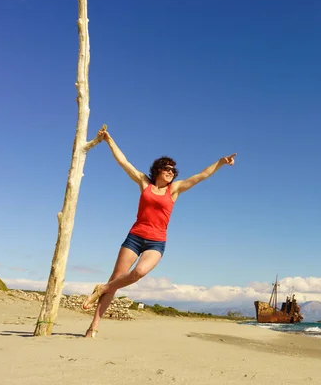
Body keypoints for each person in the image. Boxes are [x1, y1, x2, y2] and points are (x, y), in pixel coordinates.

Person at [81, 128, 236, 338]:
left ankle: (102, 288)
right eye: (167, 168)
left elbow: (201, 176)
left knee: (139, 272)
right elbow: (123, 162)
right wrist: (109, 140)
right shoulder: (144, 183)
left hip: (156, 242)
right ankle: (94, 326)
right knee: (117, 278)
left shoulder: (174, 189)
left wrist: (220, 162)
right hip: (134, 237)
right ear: (157, 170)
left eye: (173, 169)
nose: (171, 171)